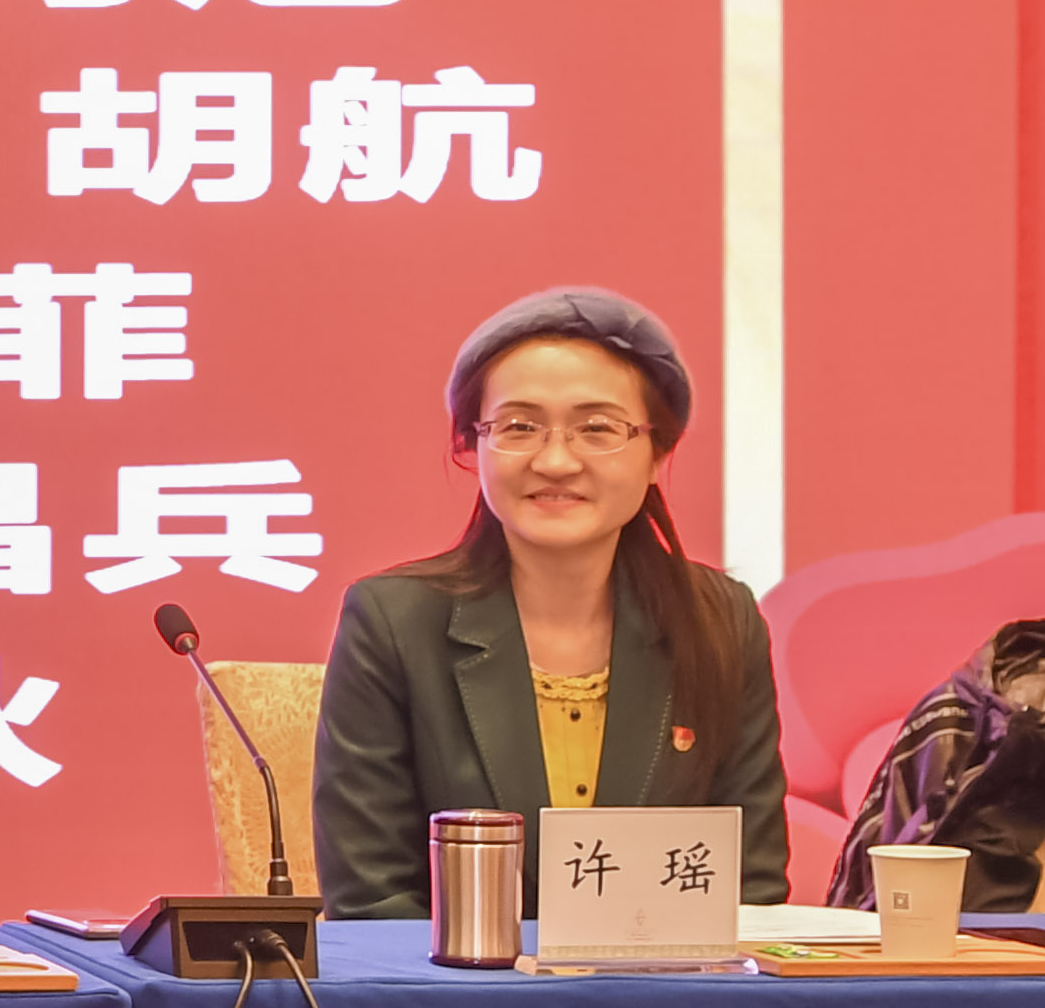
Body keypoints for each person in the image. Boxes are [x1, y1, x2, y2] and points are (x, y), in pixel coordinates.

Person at [314, 285, 786, 915]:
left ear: (658, 452)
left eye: (597, 429)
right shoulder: (393, 622)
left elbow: (749, 889)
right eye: (519, 427)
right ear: (473, 445)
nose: (557, 461)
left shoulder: (720, 621)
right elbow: (372, 901)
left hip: (669, 979)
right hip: (448, 978)